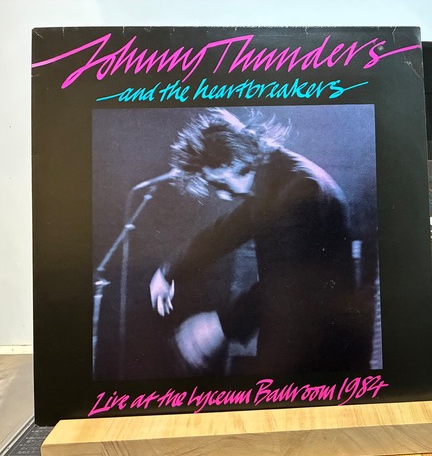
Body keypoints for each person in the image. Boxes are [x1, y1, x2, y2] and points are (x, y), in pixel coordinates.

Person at [150, 108, 372, 375]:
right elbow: (225, 231)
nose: (222, 196)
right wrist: (170, 271)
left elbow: (285, 281)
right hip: (299, 334)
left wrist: (220, 325)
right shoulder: (275, 177)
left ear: (232, 161)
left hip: (319, 345)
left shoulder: (298, 189)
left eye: (219, 184)